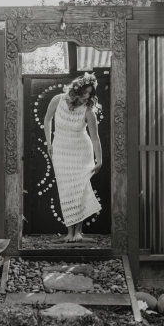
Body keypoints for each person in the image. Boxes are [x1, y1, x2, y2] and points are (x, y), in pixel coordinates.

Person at [43, 72, 102, 242]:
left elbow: (95, 138)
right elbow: (47, 120)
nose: (87, 97)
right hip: (60, 151)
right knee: (66, 191)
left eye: (90, 94)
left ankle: (78, 232)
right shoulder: (58, 100)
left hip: (82, 153)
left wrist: (100, 160)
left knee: (80, 190)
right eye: (85, 93)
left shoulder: (89, 111)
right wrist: (48, 142)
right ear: (76, 90)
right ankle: (69, 232)